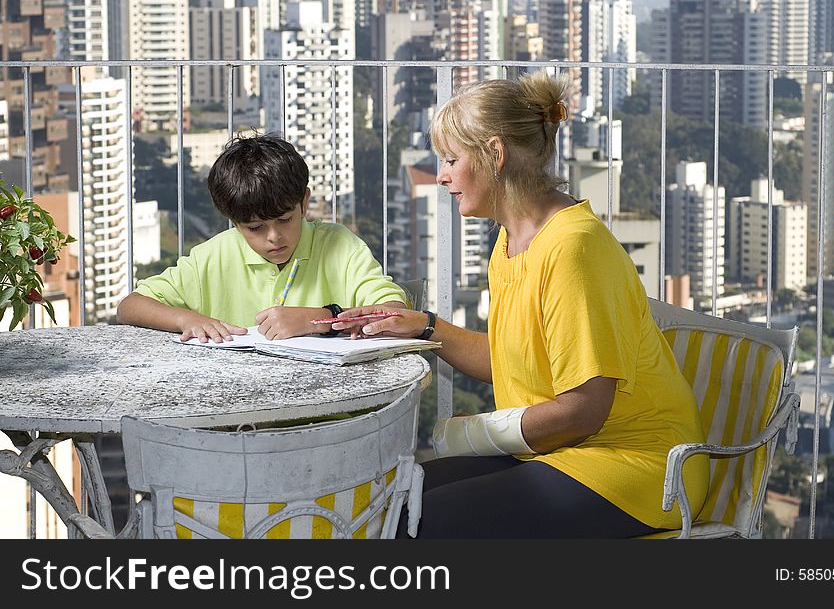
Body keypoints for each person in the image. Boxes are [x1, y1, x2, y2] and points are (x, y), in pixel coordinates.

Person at [332, 72, 709, 538]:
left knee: (426, 521)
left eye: (451, 159)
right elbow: (514, 361)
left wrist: (472, 434)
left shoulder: (573, 249)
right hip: (561, 452)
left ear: (495, 154)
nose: (443, 175)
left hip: (639, 468)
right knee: (390, 501)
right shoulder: (513, 240)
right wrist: (425, 327)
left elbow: (583, 412)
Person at [116, 131, 406, 341]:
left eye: (284, 219)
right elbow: (130, 306)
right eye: (255, 228)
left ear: (304, 202)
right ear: (234, 221)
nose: (274, 237)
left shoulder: (340, 245)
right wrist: (186, 318)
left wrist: (320, 319)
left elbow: (393, 312)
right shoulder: (214, 256)